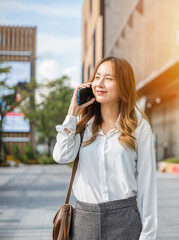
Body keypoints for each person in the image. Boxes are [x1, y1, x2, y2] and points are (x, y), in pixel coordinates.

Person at [53, 56, 157, 240]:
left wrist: (148, 234)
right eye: (97, 77)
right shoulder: (83, 124)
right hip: (84, 221)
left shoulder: (139, 126)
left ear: (123, 85)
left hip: (125, 221)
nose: (100, 84)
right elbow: (61, 156)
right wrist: (72, 111)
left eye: (109, 78)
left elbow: (147, 184)